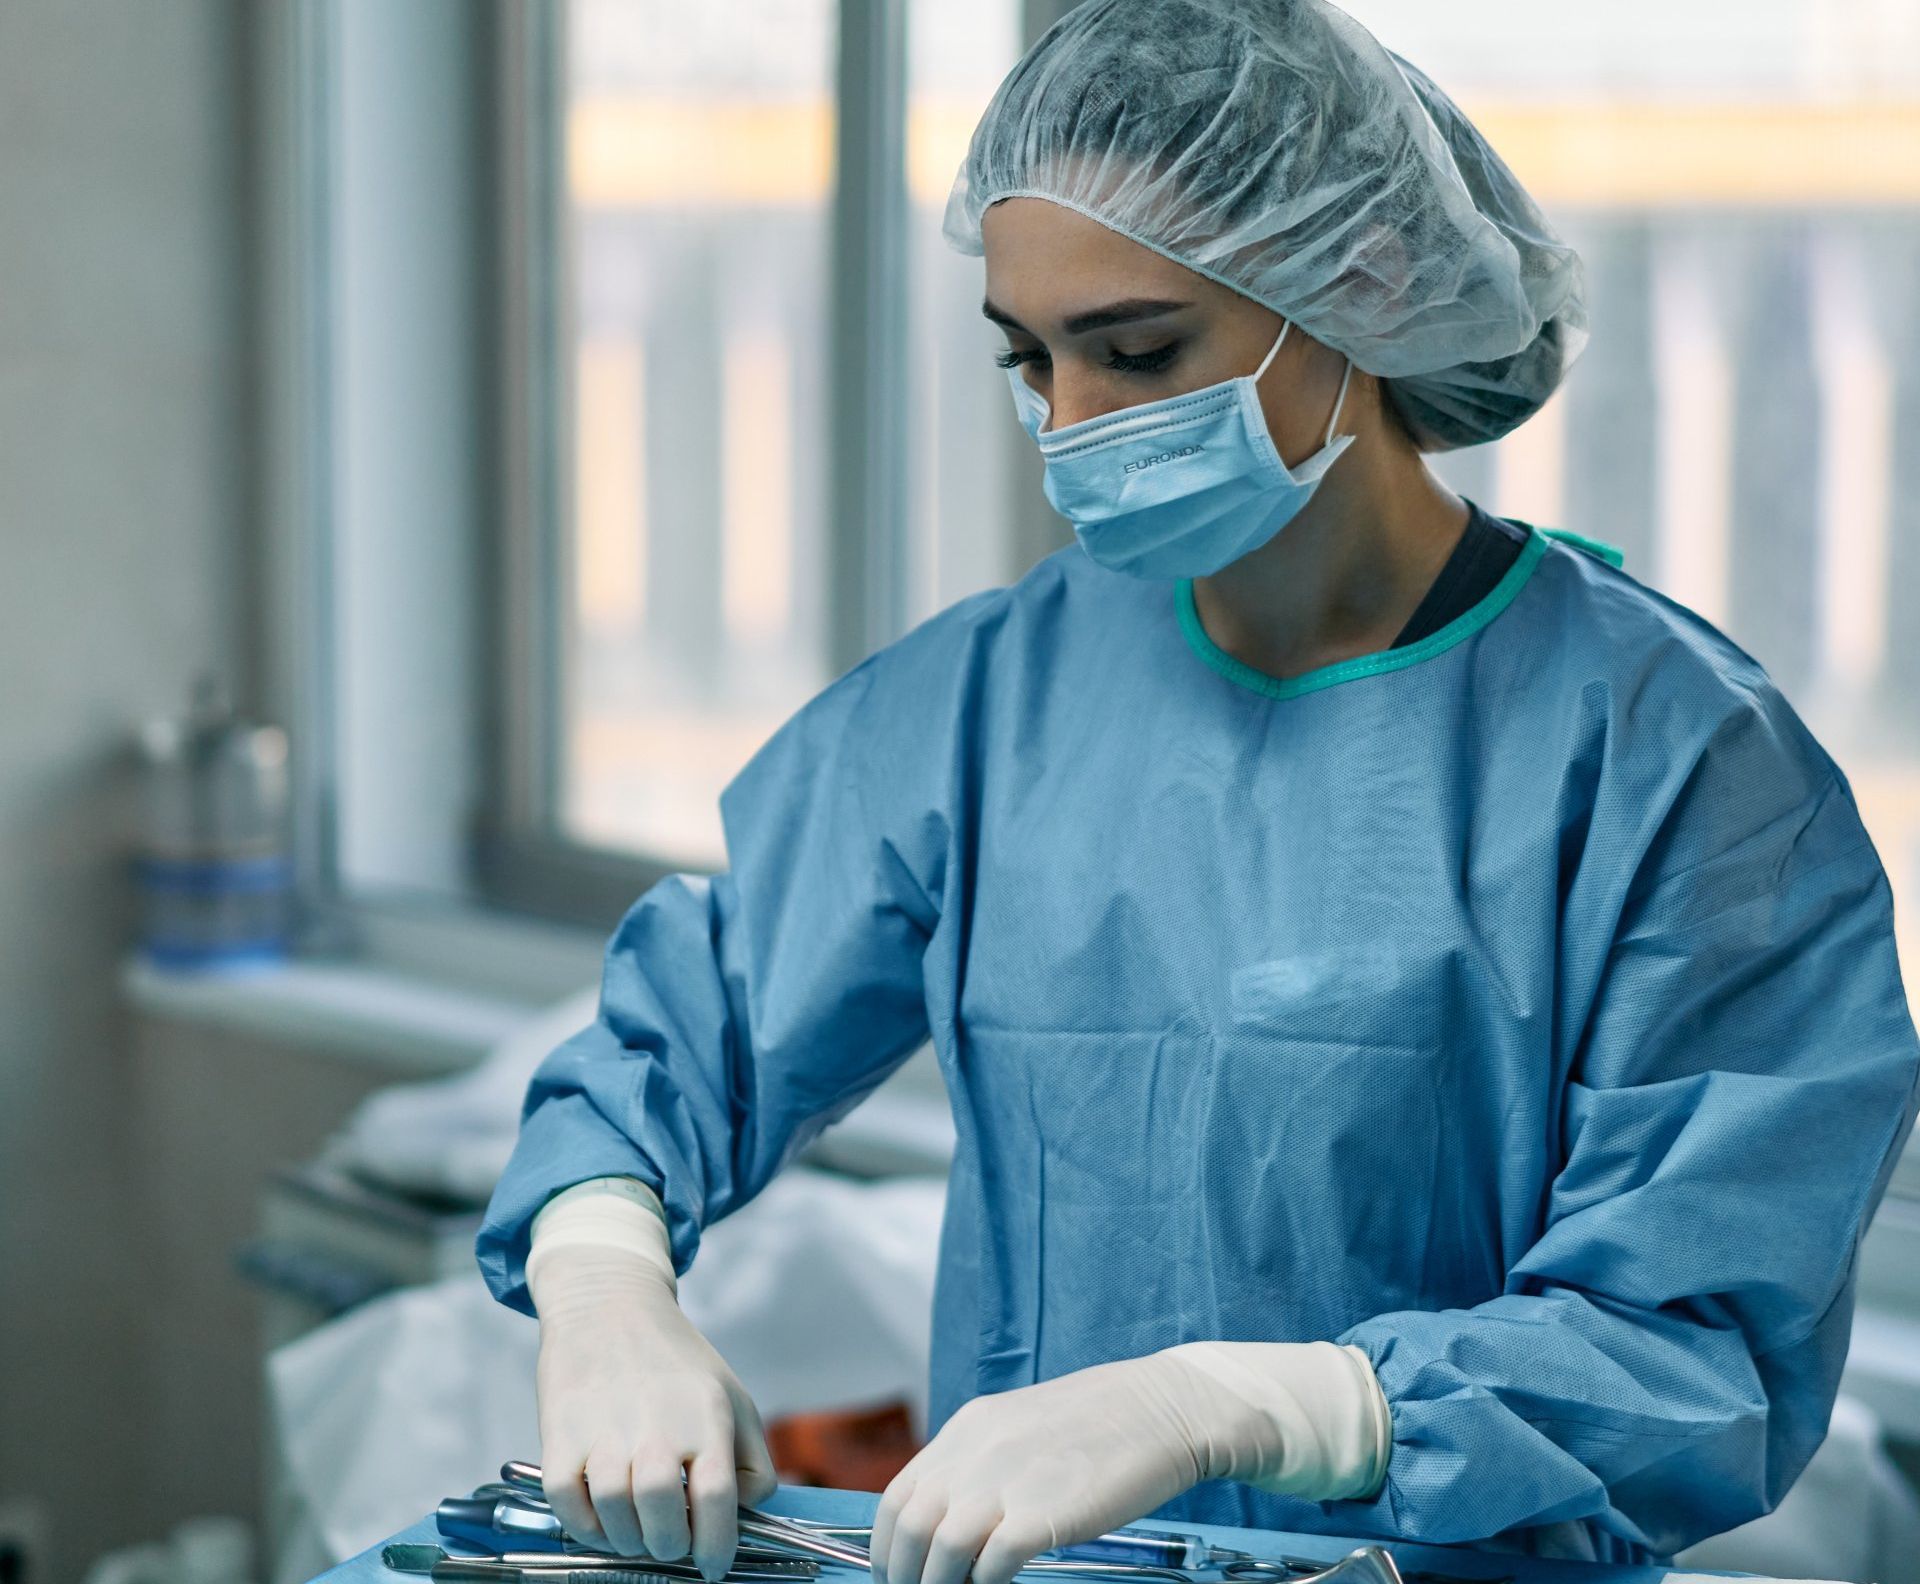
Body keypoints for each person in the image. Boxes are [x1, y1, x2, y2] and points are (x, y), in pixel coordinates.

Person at [477, 0, 1920, 1578]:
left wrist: (1244, 1403)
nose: (1070, 428)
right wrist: (606, 1282)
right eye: (1031, 359)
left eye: (1140, 351)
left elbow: (1695, 1344)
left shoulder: (1674, 766)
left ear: (1359, 286)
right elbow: (684, 1035)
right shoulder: (995, 699)